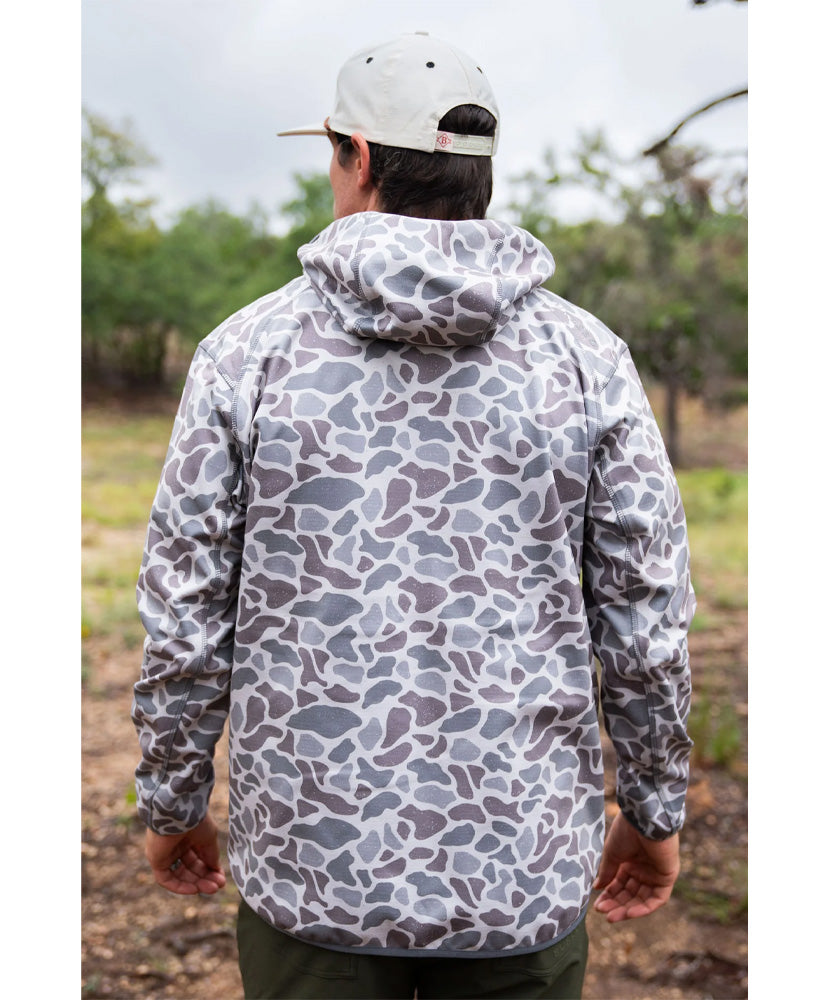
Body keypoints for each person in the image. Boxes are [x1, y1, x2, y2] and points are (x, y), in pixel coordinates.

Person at [132, 31, 694, 1000]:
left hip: (314, 877)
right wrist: (651, 811)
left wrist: (173, 800)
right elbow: (645, 615)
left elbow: (184, 615)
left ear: (355, 157)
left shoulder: (247, 354)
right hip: (517, 875)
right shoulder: (585, 358)